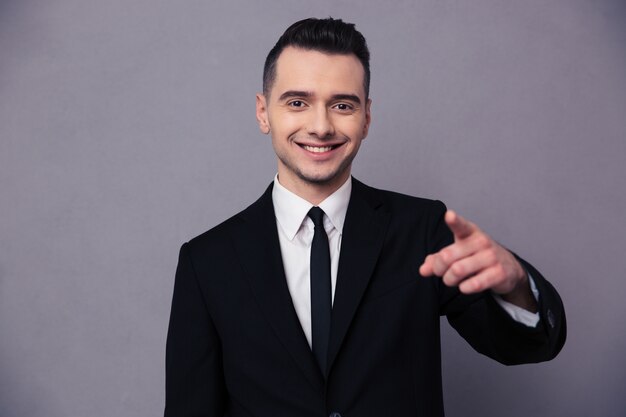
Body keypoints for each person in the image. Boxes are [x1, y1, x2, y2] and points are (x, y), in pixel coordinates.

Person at [164, 17, 566, 417]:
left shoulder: (422, 230)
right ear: (263, 112)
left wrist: (516, 285)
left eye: (342, 105)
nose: (321, 127)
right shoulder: (207, 262)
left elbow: (526, 346)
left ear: (367, 118)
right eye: (297, 102)